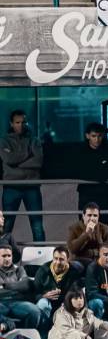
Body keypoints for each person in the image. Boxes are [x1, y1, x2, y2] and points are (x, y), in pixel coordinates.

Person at [1, 110, 45, 242]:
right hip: (11, 188)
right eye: (17, 122)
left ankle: (42, 259)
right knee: (6, 225)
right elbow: (8, 159)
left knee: (37, 225)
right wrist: (27, 153)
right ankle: (2, 257)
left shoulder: (34, 140)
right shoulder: (3, 141)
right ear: (11, 124)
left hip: (31, 187)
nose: (21, 125)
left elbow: (38, 161)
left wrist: (16, 163)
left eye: (23, 122)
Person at [75, 123, 108, 222]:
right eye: (94, 136)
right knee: (85, 224)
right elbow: (79, 171)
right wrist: (100, 175)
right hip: (87, 193)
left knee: (103, 224)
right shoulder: (80, 152)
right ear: (87, 136)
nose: (97, 139)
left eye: (99, 136)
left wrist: (97, 174)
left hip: (104, 194)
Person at [35, 245, 83, 320]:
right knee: (42, 303)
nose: (57, 262)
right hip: (48, 302)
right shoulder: (43, 270)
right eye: (55, 258)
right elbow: (34, 293)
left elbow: (76, 292)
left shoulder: (75, 272)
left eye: (61, 259)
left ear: (67, 260)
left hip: (66, 302)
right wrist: (43, 296)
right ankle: (44, 329)